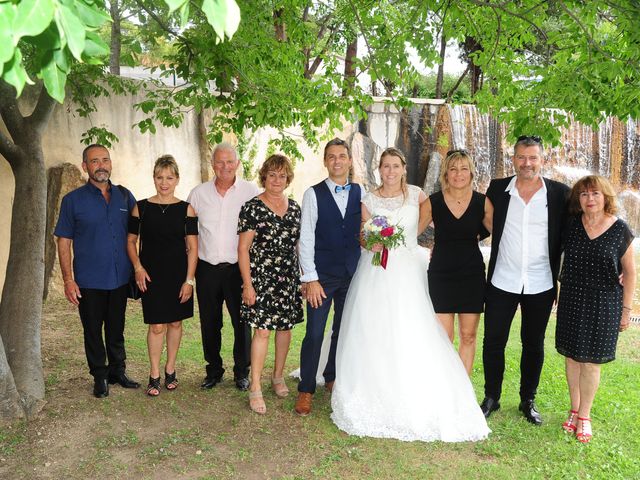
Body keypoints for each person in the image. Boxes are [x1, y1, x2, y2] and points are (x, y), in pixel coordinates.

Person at [331, 148, 490, 442]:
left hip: (407, 270)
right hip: (376, 271)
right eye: (385, 166)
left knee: (412, 327)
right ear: (379, 169)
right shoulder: (369, 199)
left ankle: (437, 387)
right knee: (374, 329)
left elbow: (434, 225)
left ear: (404, 168)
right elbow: (363, 236)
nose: (390, 171)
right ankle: (375, 386)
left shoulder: (419, 196)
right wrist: (373, 242)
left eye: (395, 166)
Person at [480, 135, 570, 425]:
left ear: (543, 160)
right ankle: (491, 396)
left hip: (541, 282)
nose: (527, 163)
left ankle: (527, 400)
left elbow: (575, 235)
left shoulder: (559, 194)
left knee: (534, 344)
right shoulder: (497, 189)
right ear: (513, 158)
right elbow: (479, 224)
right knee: (494, 341)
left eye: (533, 157)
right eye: (521, 157)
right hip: (502, 280)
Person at [55, 144, 140, 398]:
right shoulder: (72, 201)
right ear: (85, 167)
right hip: (89, 280)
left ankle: (117, 371)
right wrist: (68, 280)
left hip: (119, 277)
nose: (101, 165)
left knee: (116, 327)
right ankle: (100, 377)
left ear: (111, 164)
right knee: (92, 330)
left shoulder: (126, 197)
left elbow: (137, 234)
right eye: (94, 161)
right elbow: (64, 241)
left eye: (105, 160)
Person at [555, 175, 635, 443]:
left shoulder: (620, 229)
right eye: (585, 194)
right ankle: (574, 408)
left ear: (606, 198)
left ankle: (585, 416)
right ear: (579, 199)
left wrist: (626, 310)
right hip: (572, 298)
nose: (590, 199)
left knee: (590, 362)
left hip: (604, 303)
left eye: (595, 194)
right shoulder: (571, 226)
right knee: (572, 358)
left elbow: (630, 273)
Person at [294, 138, 363, 417]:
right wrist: (309, 278)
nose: (337, 161)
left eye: (342, 156)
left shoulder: (361, 192)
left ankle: (332, 376)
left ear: (349, 160)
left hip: (352, 274)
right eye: (331, 156)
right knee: (314, 333)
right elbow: (306, 237)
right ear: (325, 161)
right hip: (321, 278)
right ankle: (306, 389)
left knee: (342, 331)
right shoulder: (313, 194)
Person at [188, 143, 259, 391]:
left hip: (237, 270)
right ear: (212, 164)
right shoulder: (198, 193)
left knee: (241, 323)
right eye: (219, 162)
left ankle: (242, 372)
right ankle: (214, 370)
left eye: (229, 162)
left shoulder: (251, 192)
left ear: (237, 164)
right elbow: (189, 234)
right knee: (210, 322)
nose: (225, 167)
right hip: (206, 268)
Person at [126, 155, 199, 396]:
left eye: (169, 177)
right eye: (159, 177)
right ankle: (154, 373)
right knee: (157, 326)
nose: (164, 182)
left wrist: (189, 280)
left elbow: (193, 248)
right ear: (154, 178)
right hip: (151, 276)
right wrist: (138, 267)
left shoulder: (186, 209)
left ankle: (171, 369)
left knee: (175, 322)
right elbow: (131, 241)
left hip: (178, 275)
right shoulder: (141, 207)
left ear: (177, 179)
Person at [237, 154, 303, 414]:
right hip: (261, 278)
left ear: (288, 178)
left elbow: (300, 246)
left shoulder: (296, 208)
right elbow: (243, 249)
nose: (277, 179)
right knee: (262, 331)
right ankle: (255, 386)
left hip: (287, 277)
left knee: (285, 329)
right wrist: (247, 284)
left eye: (282, 175)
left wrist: (305, 277)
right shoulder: (252, 207)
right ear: (264, 176)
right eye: (272, 174)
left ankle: (277, 376)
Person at [422, 149, 493, 374]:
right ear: (446, 174)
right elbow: (410, 231)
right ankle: (444, 389)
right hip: (441, 274)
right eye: (453, 169)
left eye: (463, 169)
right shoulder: (433, 202)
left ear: (471, 173)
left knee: (468, 336)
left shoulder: (483, 202)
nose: (458, 174)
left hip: (471, 275)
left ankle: (463, 391)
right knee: (444, 338)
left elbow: (501, 234)